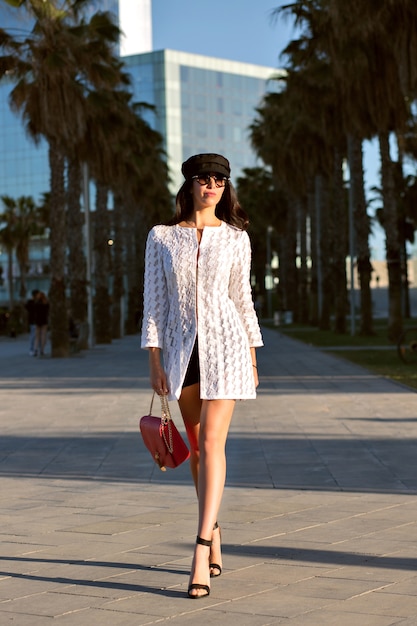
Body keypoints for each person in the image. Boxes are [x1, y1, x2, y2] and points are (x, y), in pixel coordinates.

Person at [141, 153, 263, 599]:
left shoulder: (236, 238)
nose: (211, 186)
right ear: (190, 185)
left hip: (227, 348)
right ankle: (214, 527)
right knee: (194, 450)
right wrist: (153, 361)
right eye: (203, 179)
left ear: (225, 187)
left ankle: (199, 550)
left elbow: (242, 299)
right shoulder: (161, 237)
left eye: (219, 180)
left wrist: (252, 354)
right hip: (179, 352)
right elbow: (154, 303)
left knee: (212, 443)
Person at [33, 291, 49, 356]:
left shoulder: (36, 304)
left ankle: (35, 349)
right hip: (44, 320)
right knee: (43, 335)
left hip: (37, 320)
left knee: (37, 336)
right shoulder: (46, 304)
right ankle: (42, 350)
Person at [25, 289, 39, 355]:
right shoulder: (30, 302)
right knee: (33, 335)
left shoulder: (39, 302)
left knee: (38, 335)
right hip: (33, 320)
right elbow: (28, 308)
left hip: (39, 320)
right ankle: (31, 348)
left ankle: (37, 348)